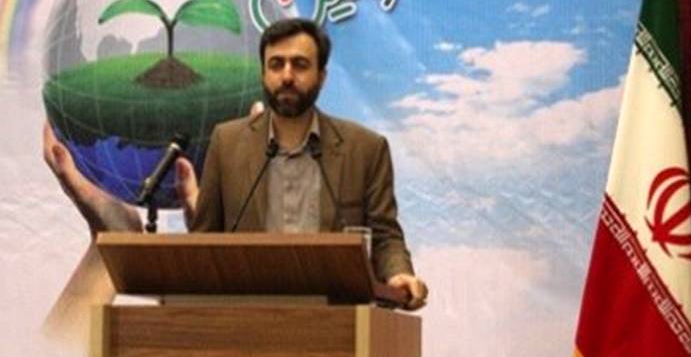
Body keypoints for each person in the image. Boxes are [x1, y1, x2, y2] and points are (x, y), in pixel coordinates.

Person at [43, 18, 428, 310]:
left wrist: (399, 274)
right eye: (276, 65)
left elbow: (385, 236)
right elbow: (206, 241)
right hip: (246, 323)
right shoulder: (228, 143)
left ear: (322, 76)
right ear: (263, 73)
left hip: (338, 325)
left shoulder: (365, 149)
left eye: (299, 65)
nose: (287, 76)